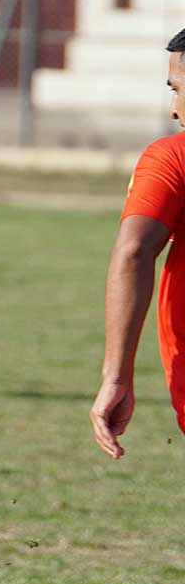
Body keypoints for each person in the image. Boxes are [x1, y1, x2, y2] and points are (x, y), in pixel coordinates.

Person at [92, 28, 185, 459]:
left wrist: (117, 375)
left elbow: (134, 250)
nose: (174, 109)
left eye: (177, 89)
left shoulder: (174, 157)